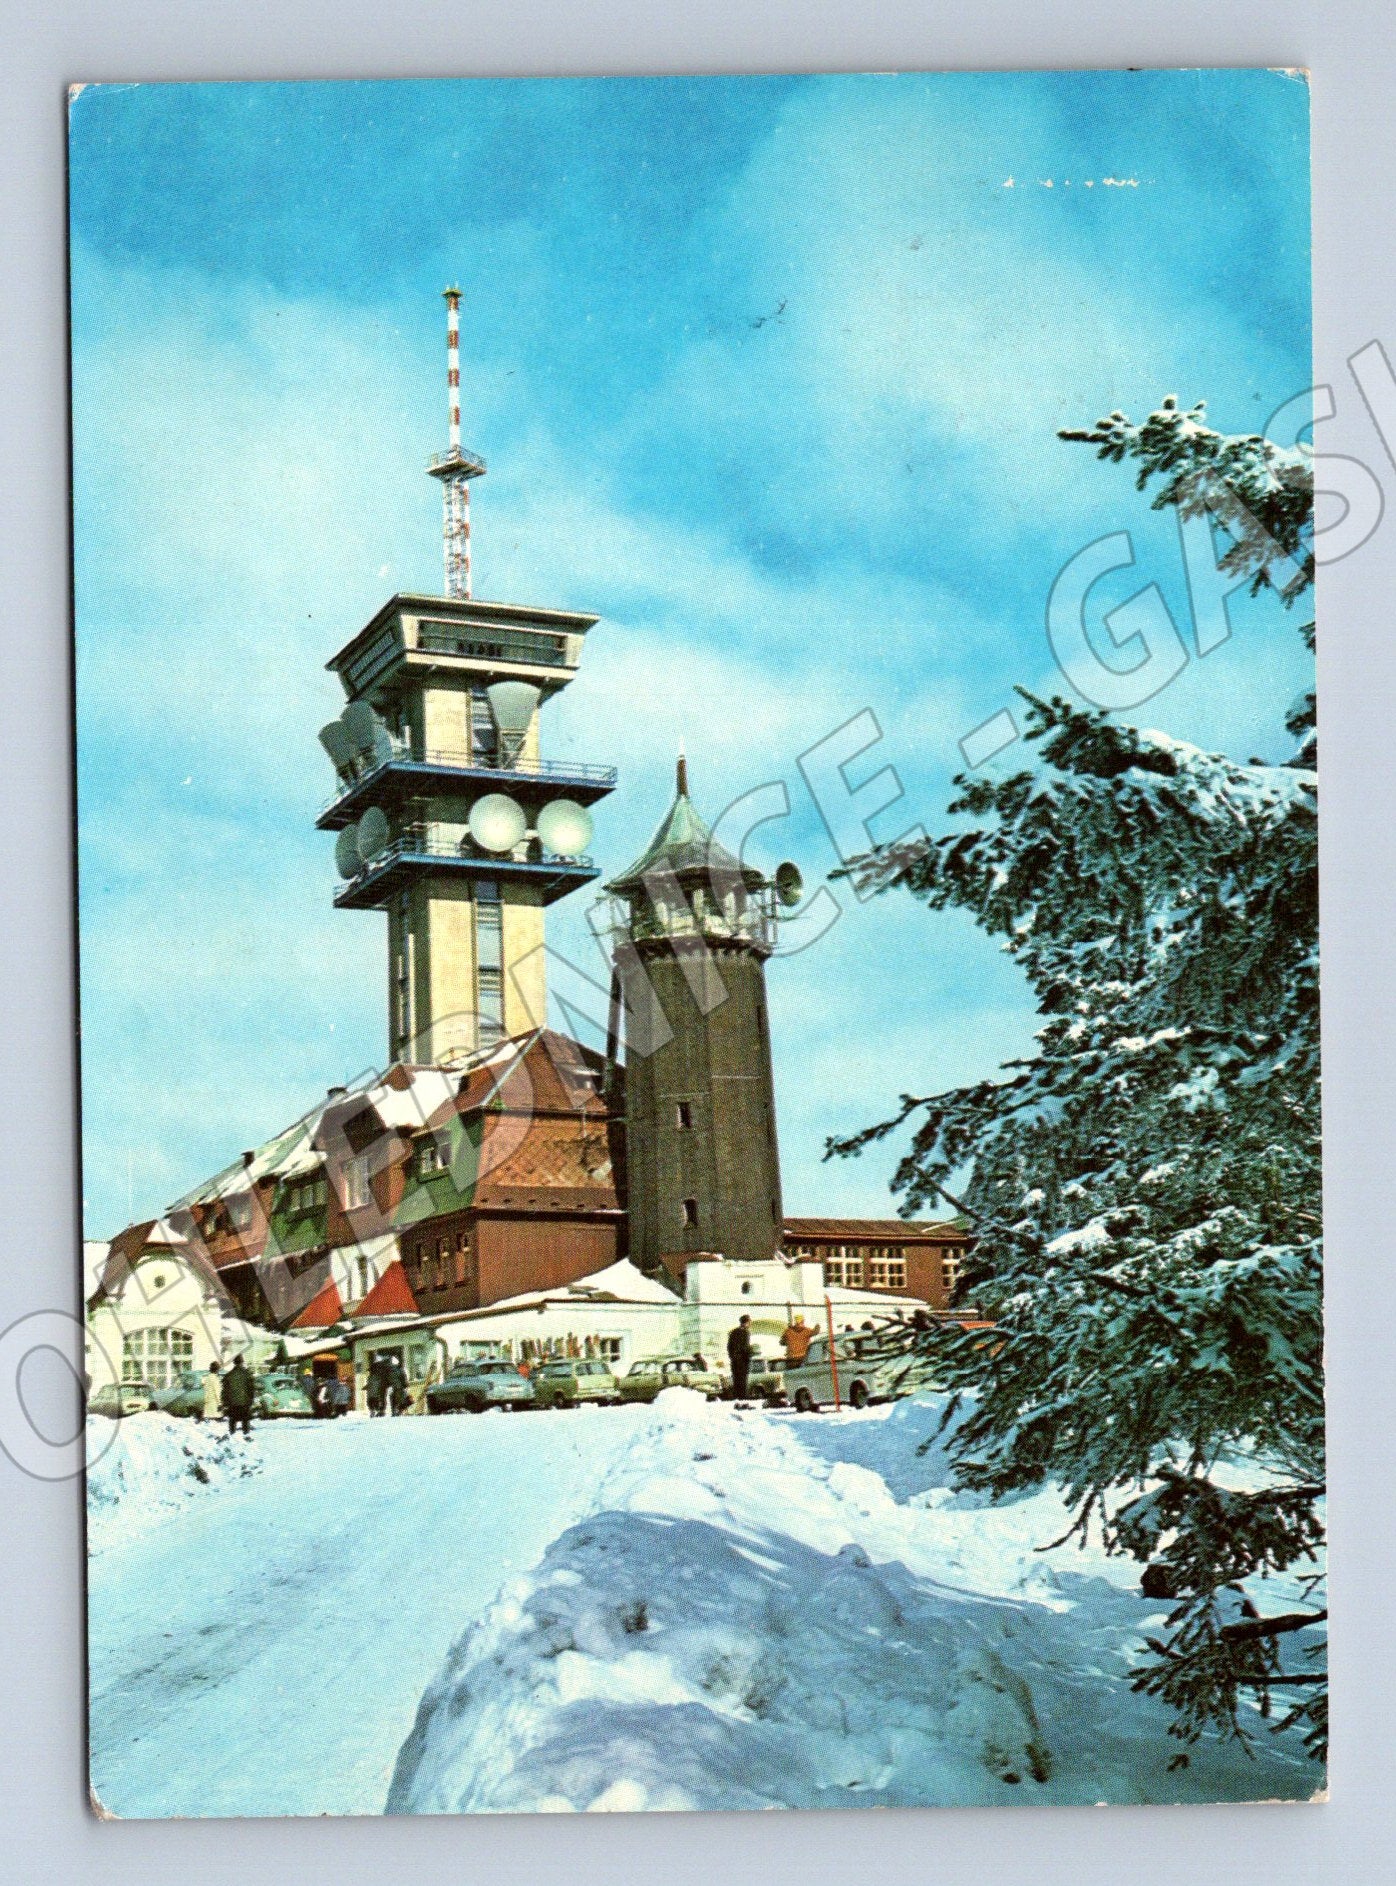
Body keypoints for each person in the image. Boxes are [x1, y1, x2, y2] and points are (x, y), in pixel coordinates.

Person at [222, 1354, 254, 1437]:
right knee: (245, 1422)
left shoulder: (228, 1375)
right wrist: (250, 1401)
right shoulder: (247, 1375)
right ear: (242, 1362)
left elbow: (225, 1391)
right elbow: (251, 1389)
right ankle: (246, 1437)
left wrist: (225, 1403)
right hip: (244, 1403)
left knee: (232, 1421)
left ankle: (232, 1437)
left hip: (232, 1404)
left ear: (234, 1363)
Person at [726, 1315, 753, 1400]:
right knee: (742, 1378)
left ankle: (736, 1395)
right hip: (742, 1359)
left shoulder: (734, 1332)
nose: (750, 1324)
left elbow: (729, 1346)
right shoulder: (745, 1332)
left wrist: (732, 1356)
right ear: (746, 1322)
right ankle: (742, 1396)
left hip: (734, 1360)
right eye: (749, 1322)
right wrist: (749, 1354)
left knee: (736, 1378)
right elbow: (745, 1347)